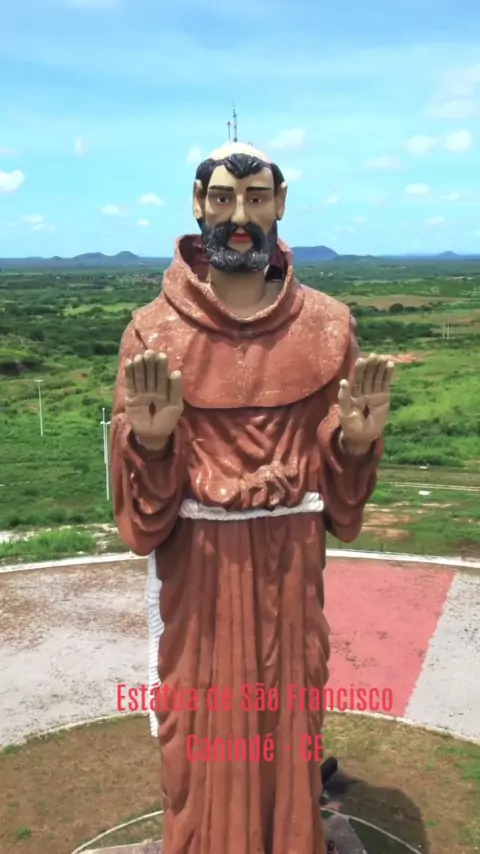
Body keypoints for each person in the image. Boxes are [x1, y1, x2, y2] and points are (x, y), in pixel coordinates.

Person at [111, 141, 394, 854]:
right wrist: (151, 445)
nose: (240, 216)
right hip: (202, 574)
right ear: (198, 204)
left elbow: (337, 485)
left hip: (291, 570)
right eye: (224, 197)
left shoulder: (327, 326)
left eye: (257, 197)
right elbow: (143, 516)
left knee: (290, 715)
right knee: (199, 722)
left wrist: (355, 443)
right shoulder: (152, 333)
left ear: (281, 204)